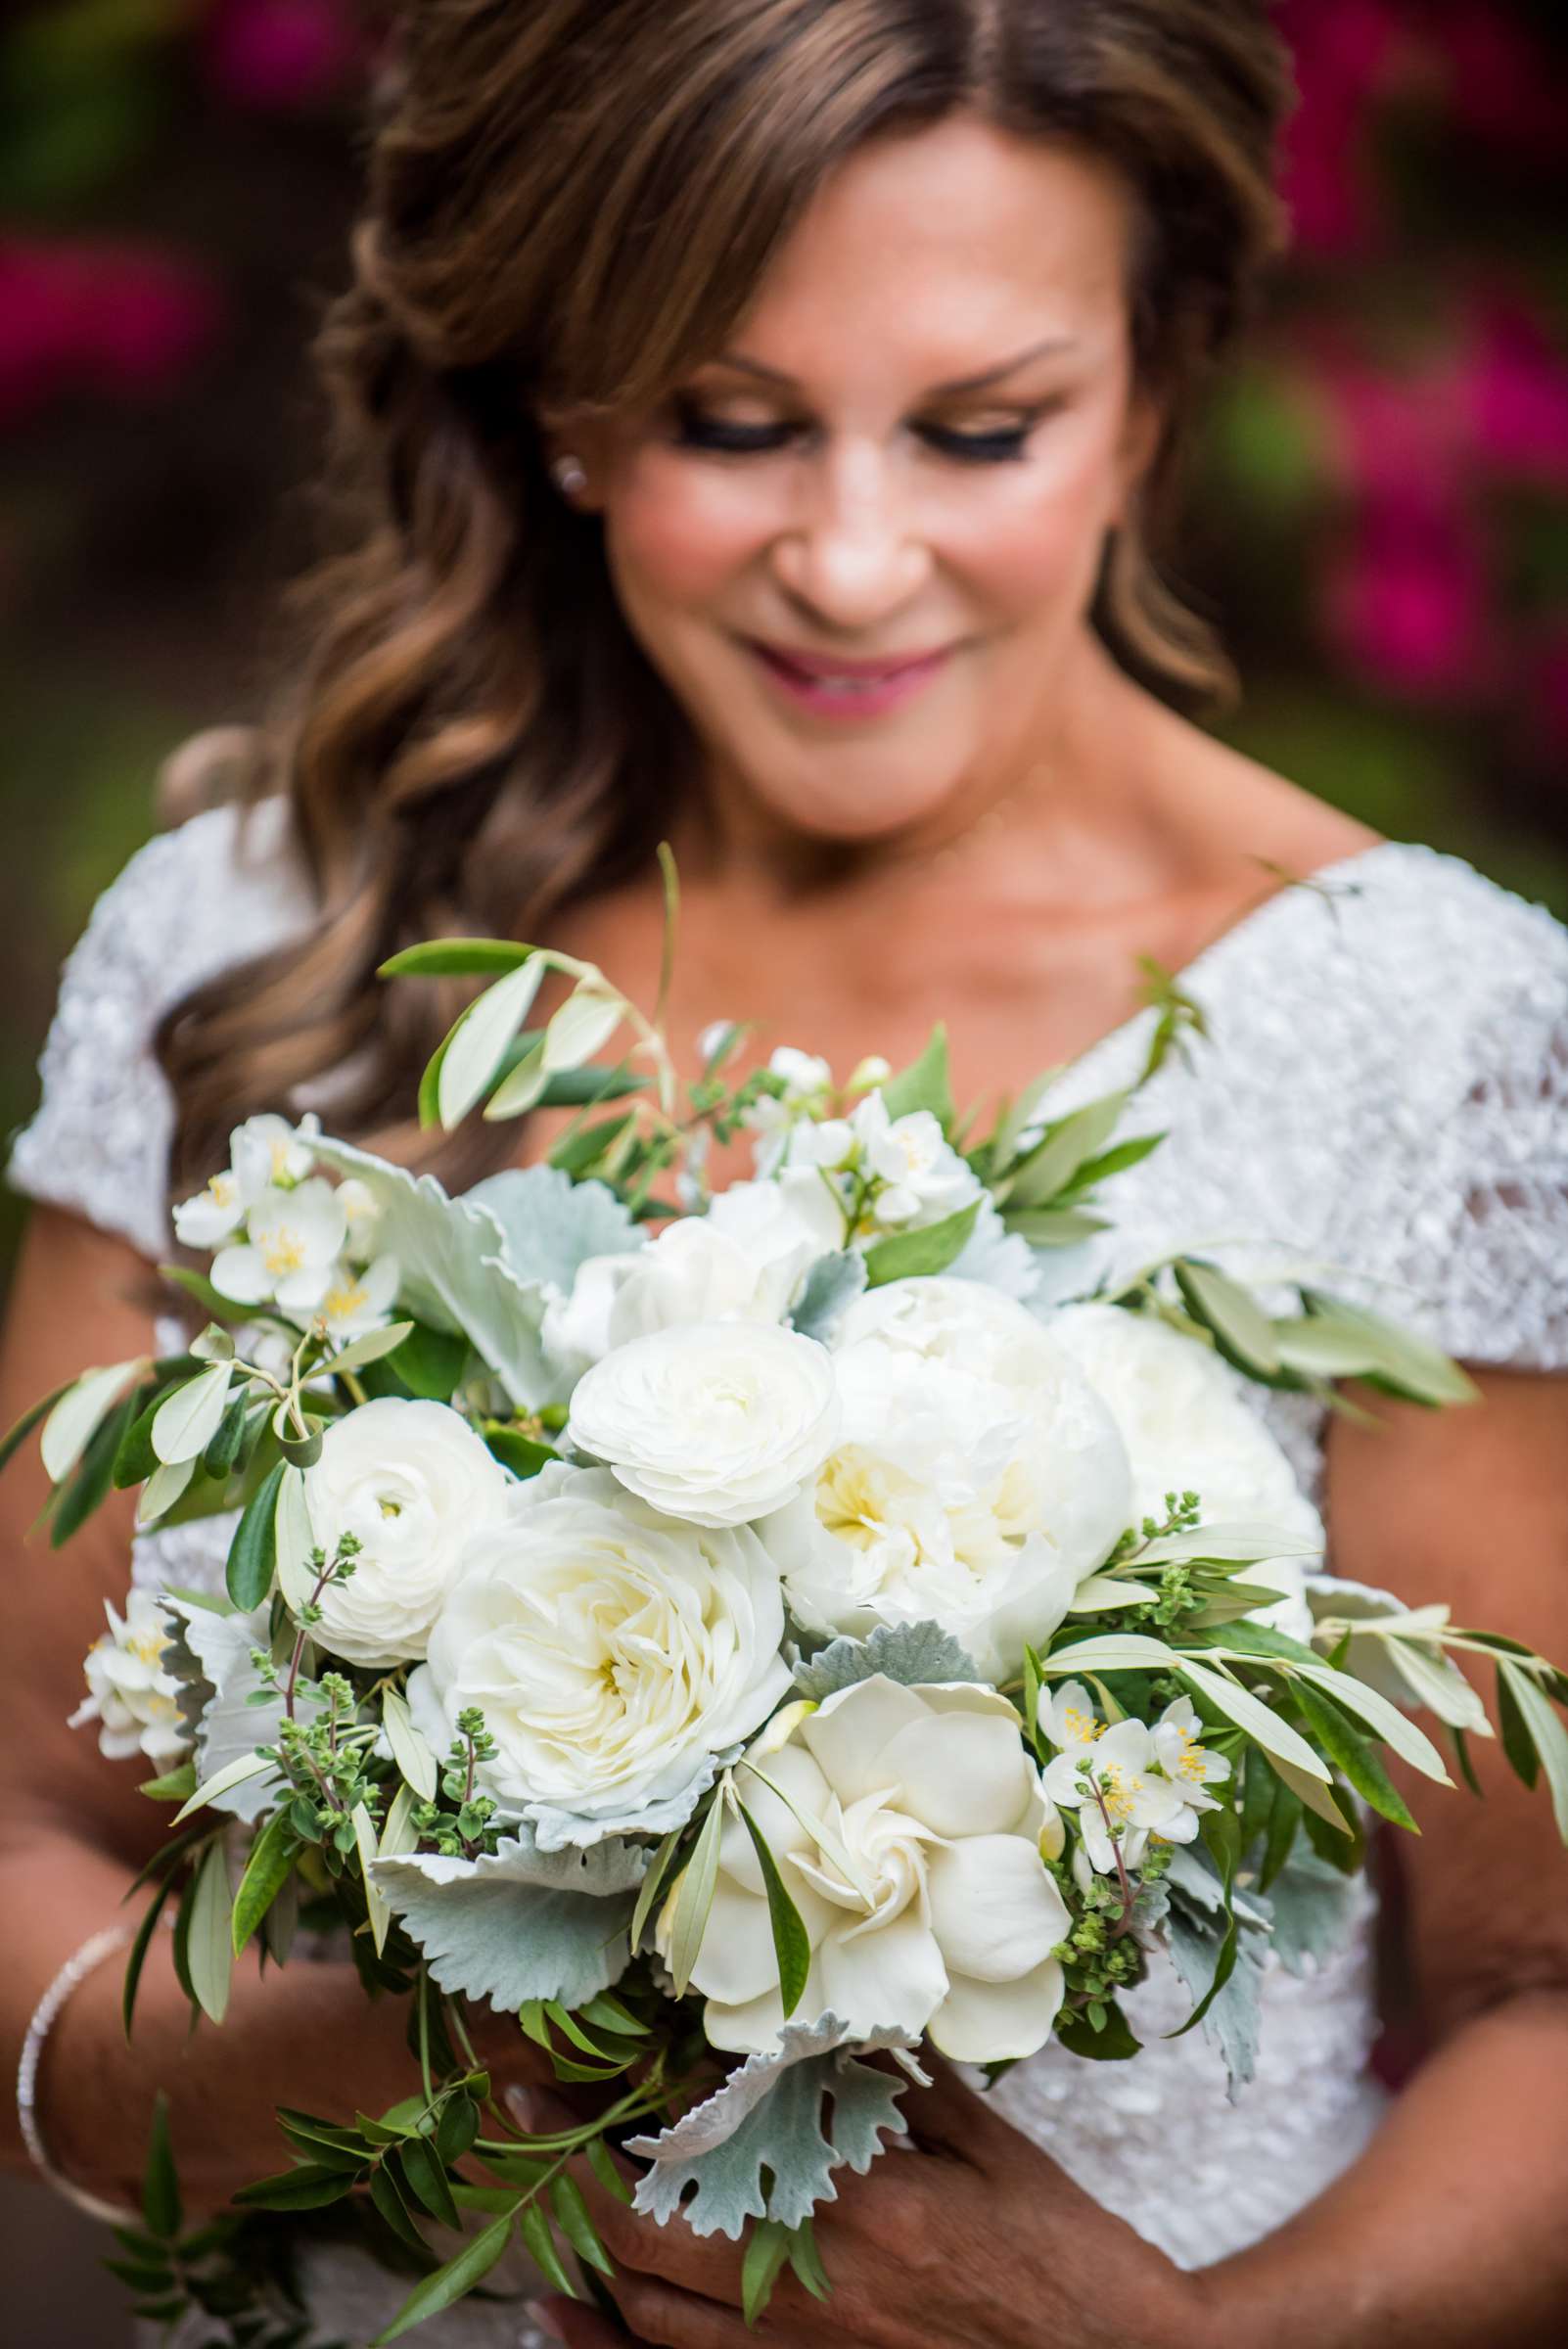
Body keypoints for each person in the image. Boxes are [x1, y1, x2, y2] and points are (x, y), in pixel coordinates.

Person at [4, 4, 1567, 2344]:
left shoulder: (1423, 1030)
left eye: (981, 428)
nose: (852, 562)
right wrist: (412, 2093)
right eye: (733, 426)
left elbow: (1546, 1986)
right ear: (559, 403)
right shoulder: (256, 944)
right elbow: (31, 1824)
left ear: (1151, 387)